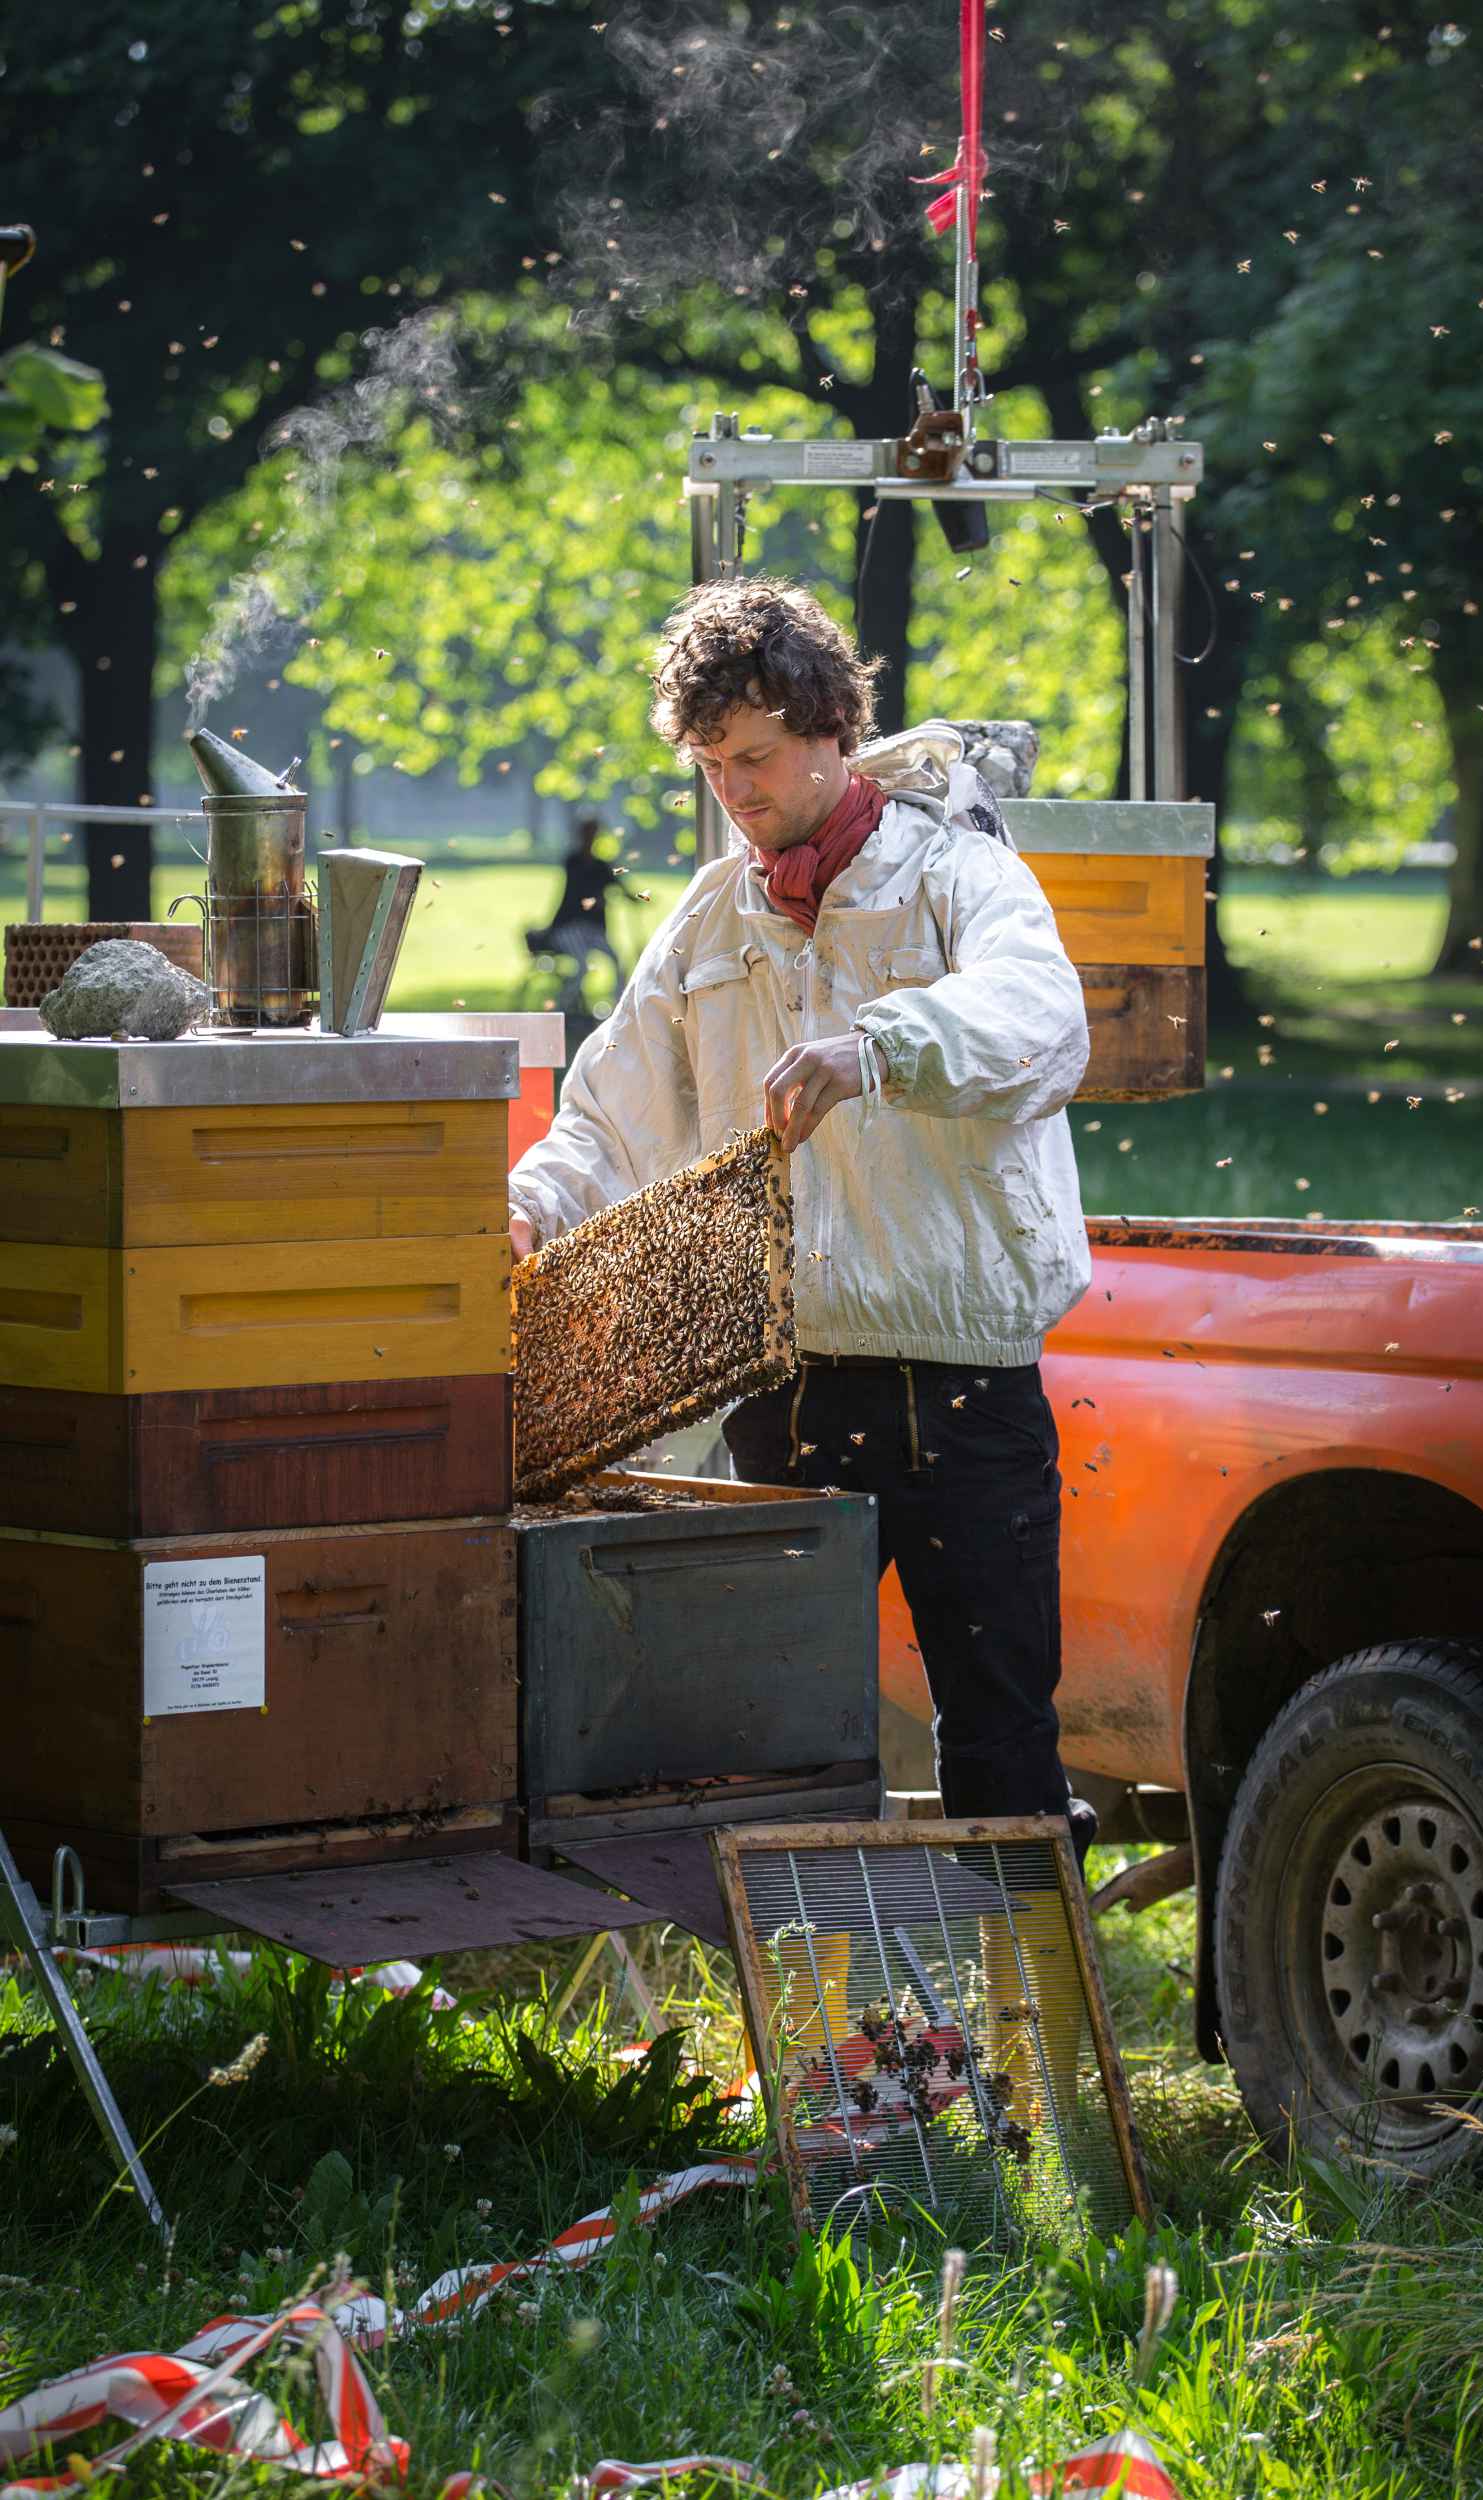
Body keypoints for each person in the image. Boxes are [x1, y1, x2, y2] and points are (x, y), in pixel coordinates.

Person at [508, 578, 1097, 1861]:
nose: (734, 787)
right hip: (788, 1390)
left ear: (831, 727)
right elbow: (614, 1110)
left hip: (964, 1398)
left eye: (756, 757)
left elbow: (1042, 1023)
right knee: (768, 1752)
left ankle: (1019, 2033)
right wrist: (530, 1208)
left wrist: (878, 1046)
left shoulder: (961, 873)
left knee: (1000, 1743)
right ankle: (822, 2047)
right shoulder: (711, 915)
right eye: (712, 763)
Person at [524, 815, 620, 1006]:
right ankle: (563, 1007)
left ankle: (619, 1005)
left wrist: (636, 898)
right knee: (582, 968)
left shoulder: (600, 866)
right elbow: (578, 890)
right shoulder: (574, 862)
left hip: (593, 929)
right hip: (571, 927)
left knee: (617, 962)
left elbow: (618, 885)